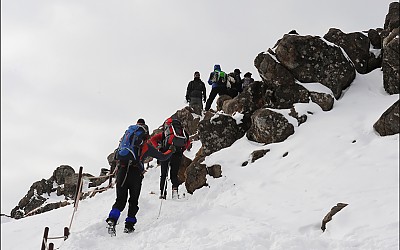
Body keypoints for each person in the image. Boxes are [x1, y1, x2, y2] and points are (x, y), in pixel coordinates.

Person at [106, 118, 176, 234]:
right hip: (135, 174)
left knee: (120, 200)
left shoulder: (126, 140)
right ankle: (129, 225)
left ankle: (112, 220)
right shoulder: (146, 146)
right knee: (133, 200)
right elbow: (162, 157)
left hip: (122, 171)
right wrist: (170, 151)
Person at [150, 117, 191, 200]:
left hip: (165, 153)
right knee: (174, 173)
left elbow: (152, 139)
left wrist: (159, 148)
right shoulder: (182, 133)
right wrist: (181, 150)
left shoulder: (165, 134)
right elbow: (188, 142)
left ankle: (162, 193)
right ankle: (175, 192)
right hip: (178, 153)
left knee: (164, 173)